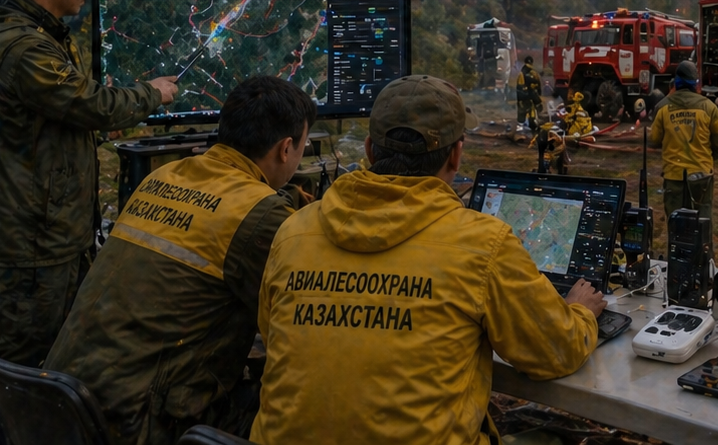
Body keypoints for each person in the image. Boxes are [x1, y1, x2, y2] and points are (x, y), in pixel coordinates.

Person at [251, 75, 604, 445]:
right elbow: (554, 352)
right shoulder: (483, 243)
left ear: (370, 150)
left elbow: (273, 331)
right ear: (456, 155)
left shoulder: (293, 232)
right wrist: (579, 311)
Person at [45, 77, 314, 444]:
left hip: (61, 404)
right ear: (286, 149)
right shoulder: (260, 216)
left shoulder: (164, 175)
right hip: (138, 424)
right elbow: (300, 327)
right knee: (306, 402)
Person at [0, 0, 178, 366]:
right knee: (22, 370)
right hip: (33, 248)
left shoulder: (40, 34)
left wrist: (88, 132)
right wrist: (151, 93)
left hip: (50, 238)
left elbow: (44, 123)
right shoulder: (25, 49)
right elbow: (90, 102)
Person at [646, 61, 718, 220]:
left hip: (674, 177)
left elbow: (654, 139)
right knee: (702, 223)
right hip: (702, 177)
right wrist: (711, 157)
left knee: (676, 225)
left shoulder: (662, 108)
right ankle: (702, 245)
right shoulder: (709, 108)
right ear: (696, 84)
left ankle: (677, 245)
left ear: (675, 82)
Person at [516, 55, 542, 132]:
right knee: (532, 113)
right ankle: (531, 124)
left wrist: (520, 99)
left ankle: (523, 126)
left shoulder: (522, 73)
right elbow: (538, 88)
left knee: (523, 113)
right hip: (532, 97)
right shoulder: (534, 73)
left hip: (525, 97)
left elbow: (520, 88)